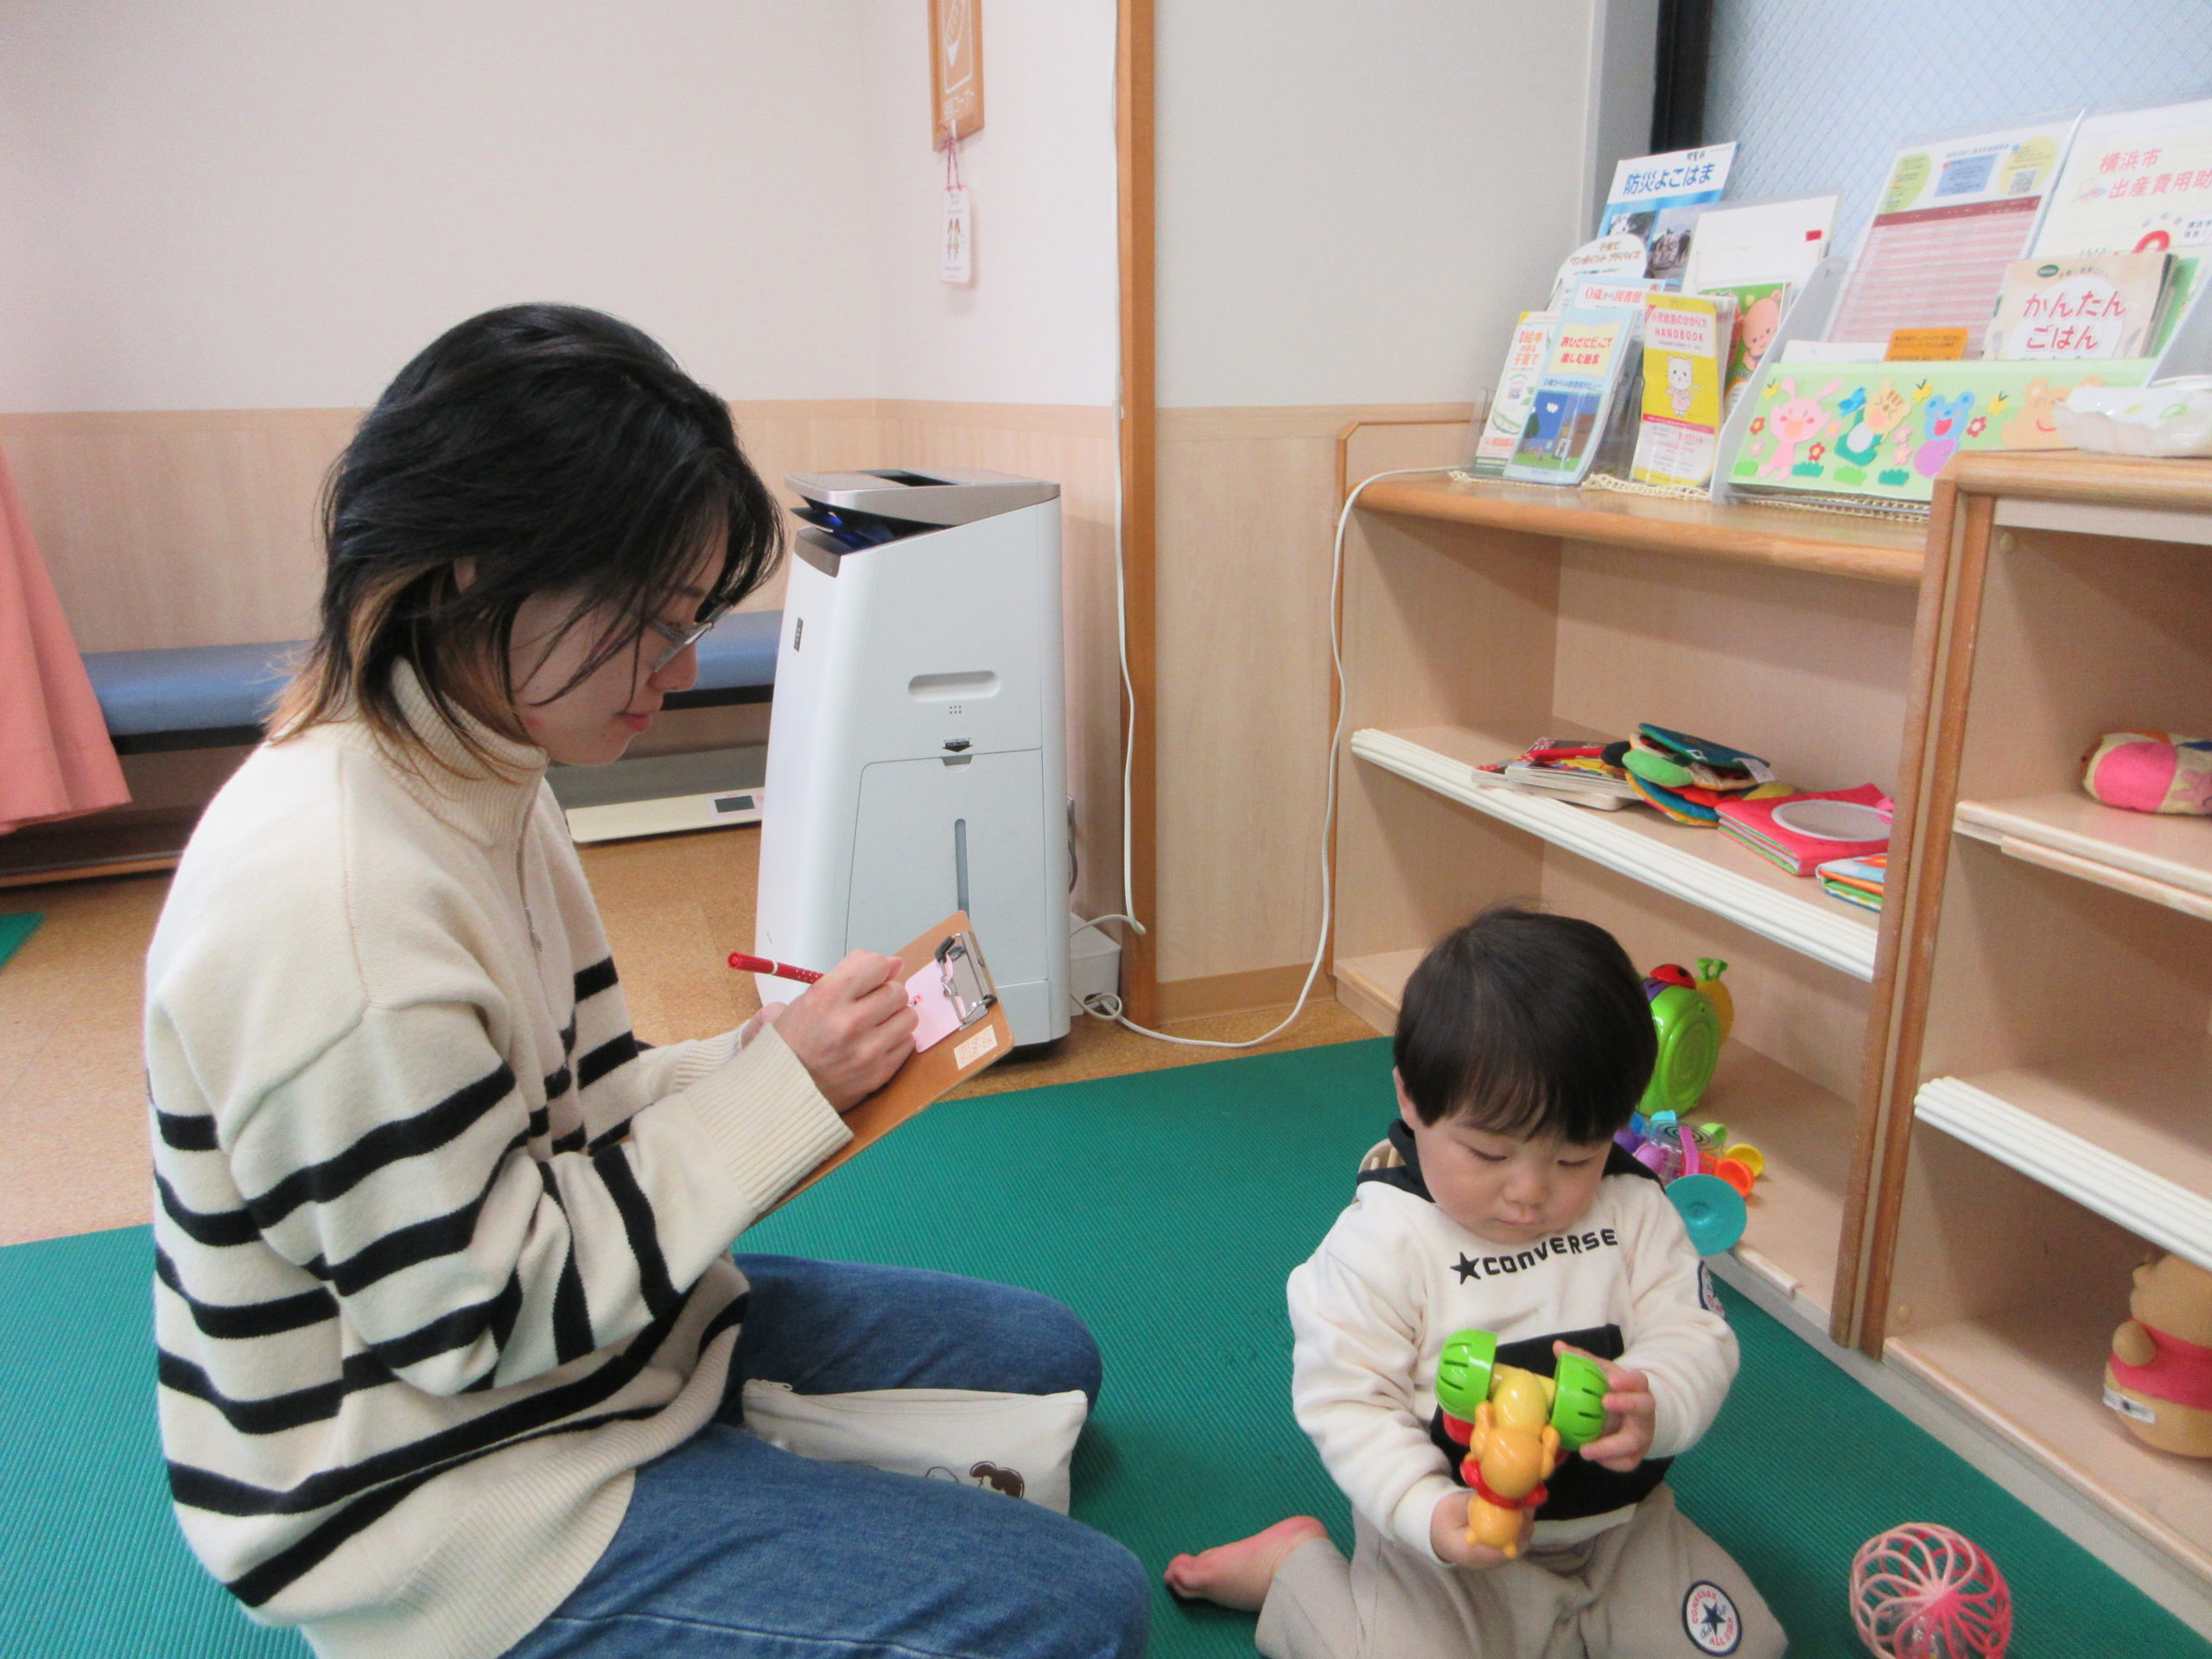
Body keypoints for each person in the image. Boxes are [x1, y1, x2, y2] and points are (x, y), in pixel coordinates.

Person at [146, 304, 1147, 1659]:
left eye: (690, 622)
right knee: (1081, 1613)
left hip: (595, 1361)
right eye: (648, 625)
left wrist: (772, 1060)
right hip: (443, 1492)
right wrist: (778, 1096)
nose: (679, 672)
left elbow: (572, 1117)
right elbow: (479, 1320)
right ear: (473, 570)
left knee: (1047, 1358)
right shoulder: (335, 901)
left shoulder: (477, 768)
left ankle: (739, 1496)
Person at [1165, 906, 1783, 1658]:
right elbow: (1349, 1401)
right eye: (1490, 1155)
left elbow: (1695, 1332)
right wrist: (1425, 1509)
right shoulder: (1383, 1242)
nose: (1530, 1192)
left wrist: (1657, 1402)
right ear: (1412, 1100)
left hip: (1625, 1532)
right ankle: (1295, 1570)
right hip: (1449, 1549)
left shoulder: (1633, 1209)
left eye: (1575, 1157)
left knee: (1746, 1647)